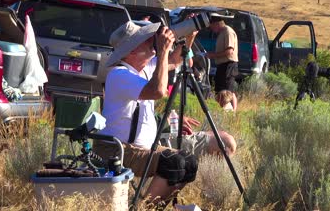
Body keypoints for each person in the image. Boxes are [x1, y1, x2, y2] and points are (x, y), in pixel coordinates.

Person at [93, 21, 237, 207]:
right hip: (119, 150)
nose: (150, 42)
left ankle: (156, 206)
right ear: (131, 52)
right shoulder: (119, 75)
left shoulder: (142, 69)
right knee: (174, 163)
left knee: (189, 163)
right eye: (144, 41)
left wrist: (188, 38)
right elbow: (158, 91)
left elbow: (176, 61)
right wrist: (161, 52)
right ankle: (142, 207)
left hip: (141, 148)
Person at [205, 13, 239, 111]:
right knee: (220, 90)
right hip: (222, 65)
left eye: (212, 26)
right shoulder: (222, 32)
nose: (211, 29)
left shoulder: (228, 32)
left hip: (229, 65)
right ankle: (222, 110)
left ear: (217, 24)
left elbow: (229, 51)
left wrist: (213, 55)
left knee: (229, 91)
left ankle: (233, 113)